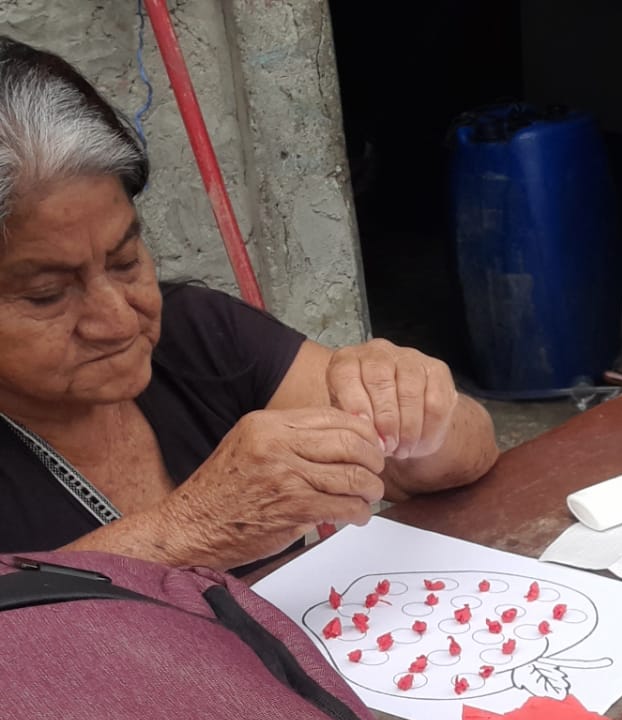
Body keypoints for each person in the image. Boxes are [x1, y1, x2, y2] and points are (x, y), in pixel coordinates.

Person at [0, 38, 498, 573]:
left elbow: (457, 455)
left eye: (124, 262)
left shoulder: (197, 335)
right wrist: (188, 530)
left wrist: (416, 411)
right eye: (47, 294)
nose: (119, 320)